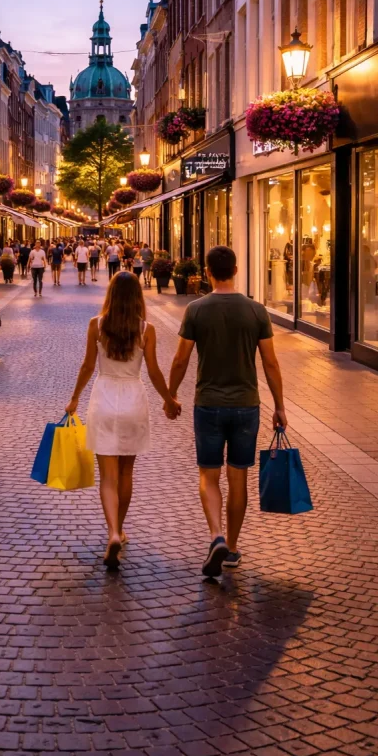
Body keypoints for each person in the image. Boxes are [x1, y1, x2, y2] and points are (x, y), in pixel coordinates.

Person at [167, 245, 287, 578]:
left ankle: (216, 535)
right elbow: (271, 363)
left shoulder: (195, 310)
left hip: (208, 403)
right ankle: (232, 547)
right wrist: (279, 405)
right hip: (246, 405)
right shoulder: (256, 311)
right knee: (238, 478)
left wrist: (171, 395)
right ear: (235, 270)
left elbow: (180, 359)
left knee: (208, 474)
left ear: (207, 272)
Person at [66, 272, 178, 569]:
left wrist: (75, 398)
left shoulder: (97, 325)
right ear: (137, 298)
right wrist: (169, 399)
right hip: (133, 400)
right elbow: (153, 371)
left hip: (104, 398)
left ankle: (113, 532)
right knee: (127, 473)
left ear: (111, 295)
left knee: (108, 477)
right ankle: (121, 527)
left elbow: (87, 366)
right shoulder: (146, 329)